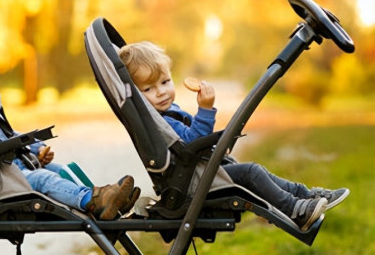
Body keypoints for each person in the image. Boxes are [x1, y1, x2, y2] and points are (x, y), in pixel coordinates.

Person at [117, 41, 349, 230]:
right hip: (192, 183)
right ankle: (295, 210)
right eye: (148, 89)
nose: (161, 92)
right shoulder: (160, 122)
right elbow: (191, 142)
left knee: (255, 172)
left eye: (165, 82)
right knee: (251, 172)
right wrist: (205, 109)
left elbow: (188, 142)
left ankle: (304, 196)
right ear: (136, 95)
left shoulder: (165, 113)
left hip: (195, 173)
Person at [0, 26, 139, 220]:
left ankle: (103, 200)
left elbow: (5, 133)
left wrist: (36, 148)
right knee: (43, 179)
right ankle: (92, 201)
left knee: (59, 170)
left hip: (13, 170)